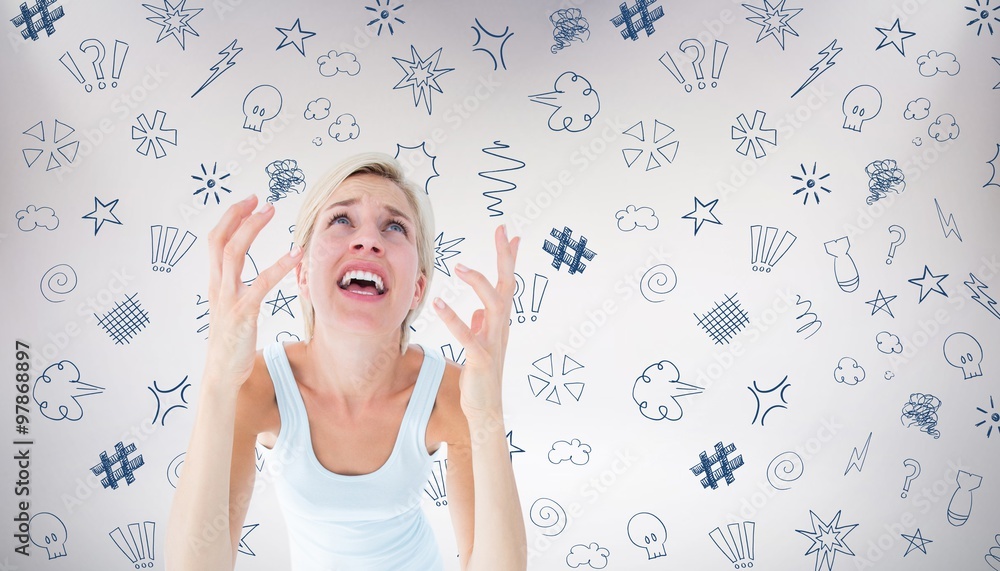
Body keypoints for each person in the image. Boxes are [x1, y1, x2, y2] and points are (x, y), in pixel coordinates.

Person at [166, 153, 527, 570]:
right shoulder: (257, 386)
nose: (368, 240)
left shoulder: (452, 394)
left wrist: (486, 415)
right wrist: (217, 381)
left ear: (416, 289)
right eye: (341, 220)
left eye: (394, 227)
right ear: (302, 274)